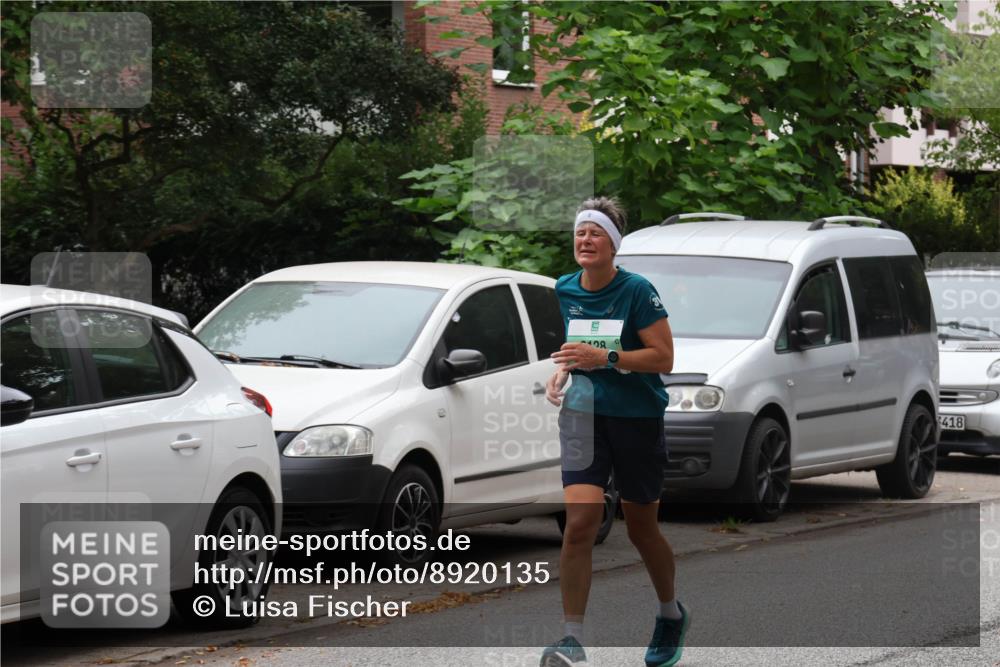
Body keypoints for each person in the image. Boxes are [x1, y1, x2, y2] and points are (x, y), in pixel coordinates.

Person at [540, 197, 689, 667]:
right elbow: (575, 347)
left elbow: (663, 358)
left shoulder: (637, 291)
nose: (585, 240)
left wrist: (605, 360)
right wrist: (563, 371)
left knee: (643, 529)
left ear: (614, 243)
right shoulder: (565, 289)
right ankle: (571, 639)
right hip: (584, 417)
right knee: (580, 524)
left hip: (637, 419)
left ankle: (669, 615)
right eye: (580, 232)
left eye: (595, 233)